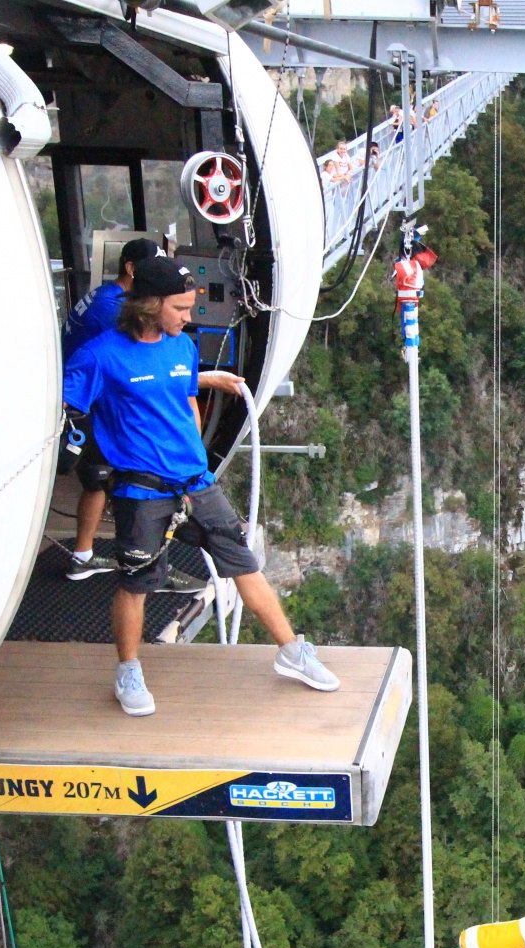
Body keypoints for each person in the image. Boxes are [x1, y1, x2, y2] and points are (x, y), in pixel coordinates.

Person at [62, 256, 339, 716]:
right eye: (180, 308)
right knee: (137, 583)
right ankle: (128, 669)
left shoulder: (181, 347)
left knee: (243, 562)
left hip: (196, 484)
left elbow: (184, 395)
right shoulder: (100, 356)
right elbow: (62, 404)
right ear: (150, 306)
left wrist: (203, 429)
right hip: (143, 492)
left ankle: (292, 651)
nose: (189, 317)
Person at [59, 237, 160, 581]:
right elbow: (132, 354)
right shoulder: (111, 309)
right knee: (104, 477)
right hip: (84, 404)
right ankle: (110, 555)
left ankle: (86, 554)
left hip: (82, 397)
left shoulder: (105, 296)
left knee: (98, 480)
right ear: (131, 269)